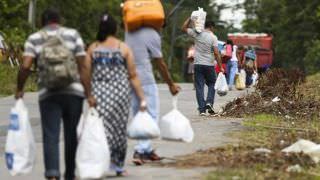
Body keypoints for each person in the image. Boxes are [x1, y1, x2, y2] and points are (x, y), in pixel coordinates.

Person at [15, 8, 94, 180]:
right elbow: (83, 66)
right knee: (71, 134)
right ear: (59, 20)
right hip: (74, 93)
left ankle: (52, 174)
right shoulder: (73, 35)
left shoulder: (34, 38)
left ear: (42, 22)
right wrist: (89, 94)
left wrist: (19, 89)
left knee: (51, 134)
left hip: (48, 93)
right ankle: (70, 174)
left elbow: (26, 66)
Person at [85, 12, 147, 176]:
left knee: (100, 129)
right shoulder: (123, 48)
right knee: (118, 130)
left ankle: (99, 163)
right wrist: (142, 98)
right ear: (115, 29)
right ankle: (117, 165)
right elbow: (133, 75)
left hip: (99, 95)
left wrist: (88, 95)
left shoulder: (93, 48)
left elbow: (85, 74)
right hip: (120, 94)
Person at [125, 26, 180, 165]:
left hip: (130, 79)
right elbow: (160, 62)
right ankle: (140, 150)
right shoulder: (152, 34)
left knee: (139, 116)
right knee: (151, 116)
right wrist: (171, 84)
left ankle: (147, 151)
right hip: (146, 81)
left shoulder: (129, 31)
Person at [182, 17, 224, 116]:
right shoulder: (213, 37)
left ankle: (202, 110)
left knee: (199, 87)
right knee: (212, 84)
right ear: (212, 27)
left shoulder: (197, 33)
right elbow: (216, 53)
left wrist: (189, 18)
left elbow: (183, 28)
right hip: (209, 65)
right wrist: (221, 66)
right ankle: (209, 103)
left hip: (197, 64)